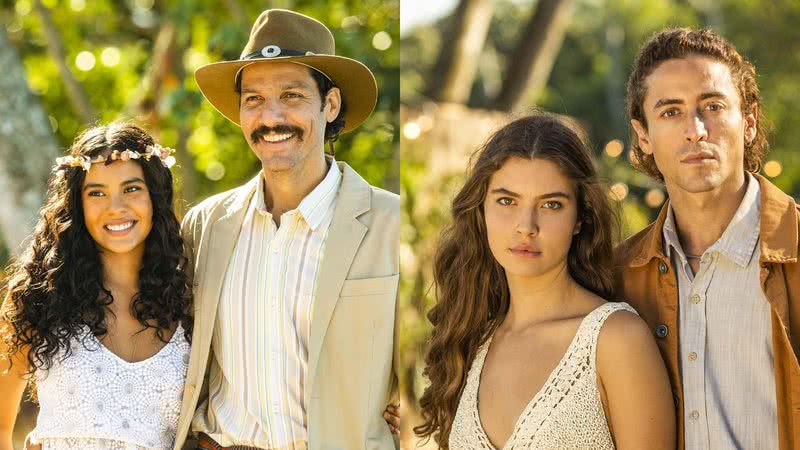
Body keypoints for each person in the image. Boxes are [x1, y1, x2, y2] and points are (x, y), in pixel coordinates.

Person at [175, 9, 399, 450]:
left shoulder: (390, 224)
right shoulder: (204, 227)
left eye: (292, 95)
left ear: (330, 104)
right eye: (253, 99)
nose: (270, 117)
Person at [415, 113, 675, 449]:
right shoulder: (472, 338)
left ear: (580, 218)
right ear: (481, 210)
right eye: (507, 201)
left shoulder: (615, 340)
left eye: (551, 204)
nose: (526, 225)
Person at [616, 27, 800, 450]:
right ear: (643, 135)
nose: (695, 130)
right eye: (670, 112)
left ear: (748, 121)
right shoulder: (619, 277)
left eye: (712, 106)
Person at [0, 123, 192, 450]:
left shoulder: (188, 302)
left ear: (154, 198)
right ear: (78, 203)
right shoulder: (39, 297)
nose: (115, 207)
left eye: (131, 189)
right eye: (97, 193)